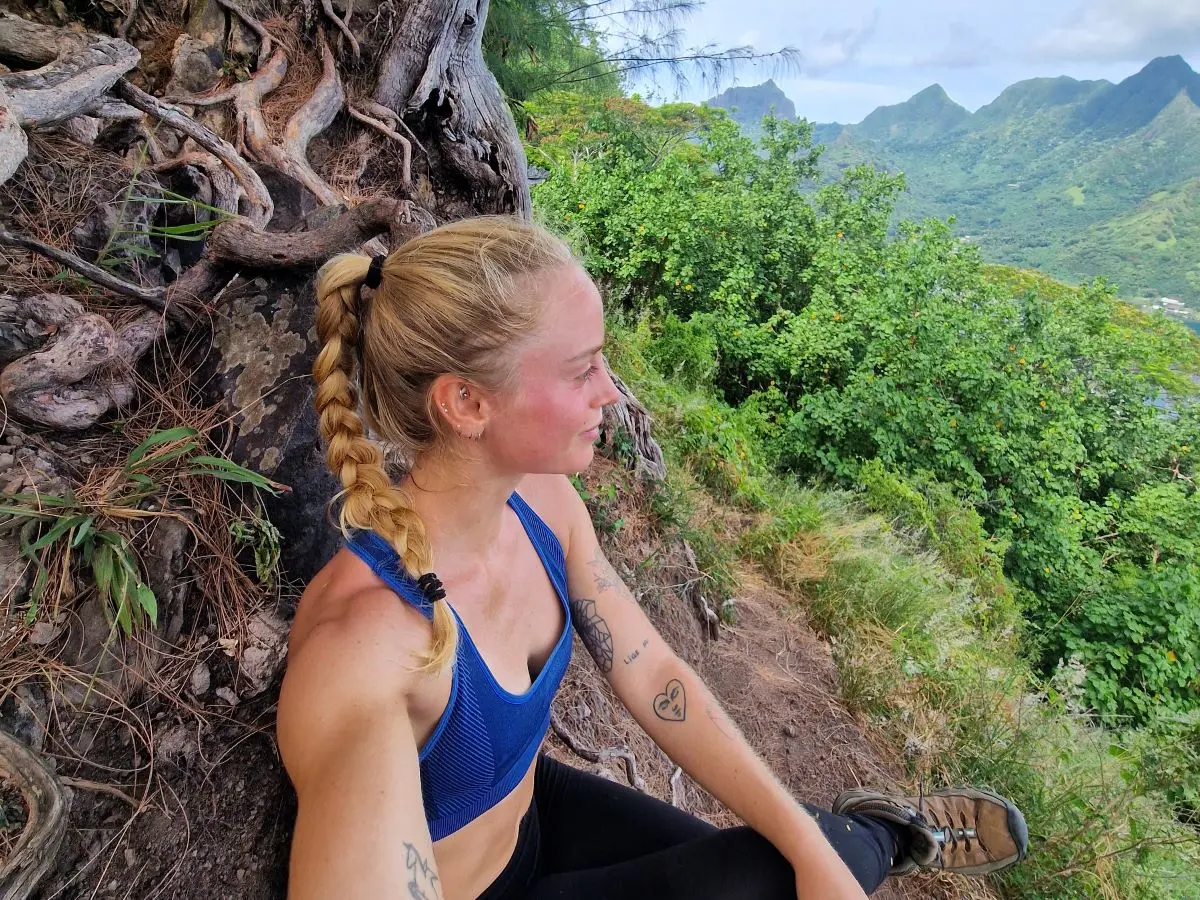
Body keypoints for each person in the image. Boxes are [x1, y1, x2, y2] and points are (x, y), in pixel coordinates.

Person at [276, 216, 1028, 900]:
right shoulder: (368, 652)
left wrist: (808, 845)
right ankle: (887, 837)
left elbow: (652, 671)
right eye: (582, 371)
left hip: (538, 815)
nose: (612, 391)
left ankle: (877, 833)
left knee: (806, 861)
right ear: (468, 404)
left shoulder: (541, 505)